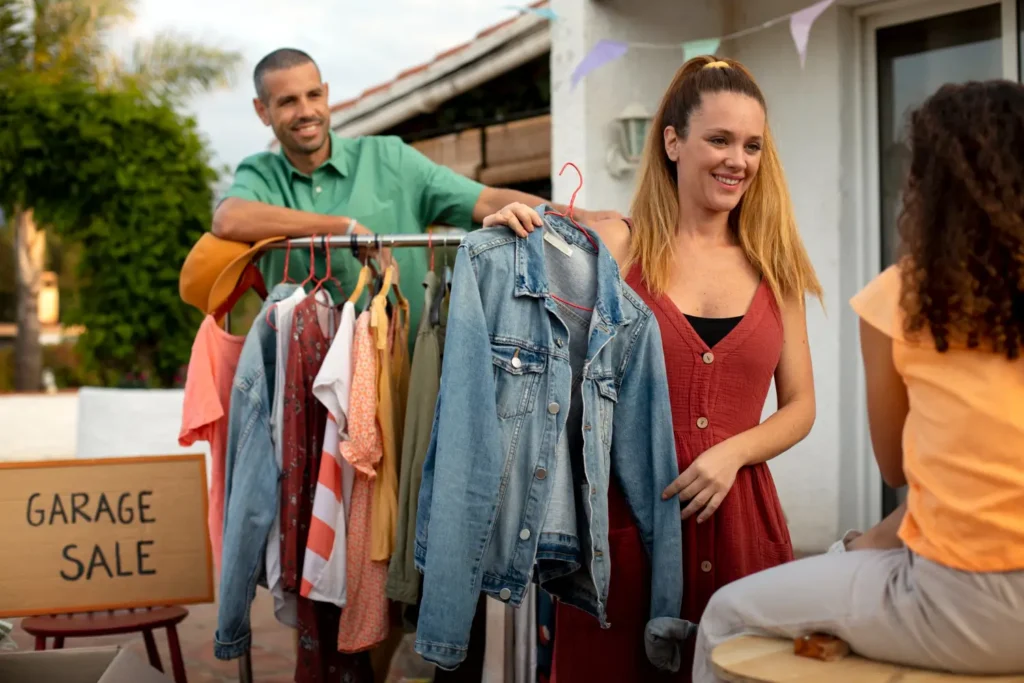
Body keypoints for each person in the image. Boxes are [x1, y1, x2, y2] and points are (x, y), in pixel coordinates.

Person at [482, 56, 821, 680]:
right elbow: (528, 338)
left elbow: (801, 406)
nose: (736, 160)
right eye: (718, 139)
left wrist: (731, 453)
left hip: (742, 527)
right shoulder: (619, 245)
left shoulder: (778, 266)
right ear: (673, 141)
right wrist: (507, 238)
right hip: (623, 528)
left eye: (751, 145)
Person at [690, 79, 1024, 680]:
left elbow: (898, 470)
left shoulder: (905, 297)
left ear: (931, 187)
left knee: (726, 617)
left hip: (969, 603)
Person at [213, 47, 620, 339]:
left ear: (326, 93)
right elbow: (228, 219)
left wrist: (579, 216)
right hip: (298, 381)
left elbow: (486, 200)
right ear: (261, 110)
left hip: (398, 372)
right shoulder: (260, 173)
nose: (306, 111)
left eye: (313, 95)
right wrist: (343, 227)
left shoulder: (388, 157)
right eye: (287, 102)